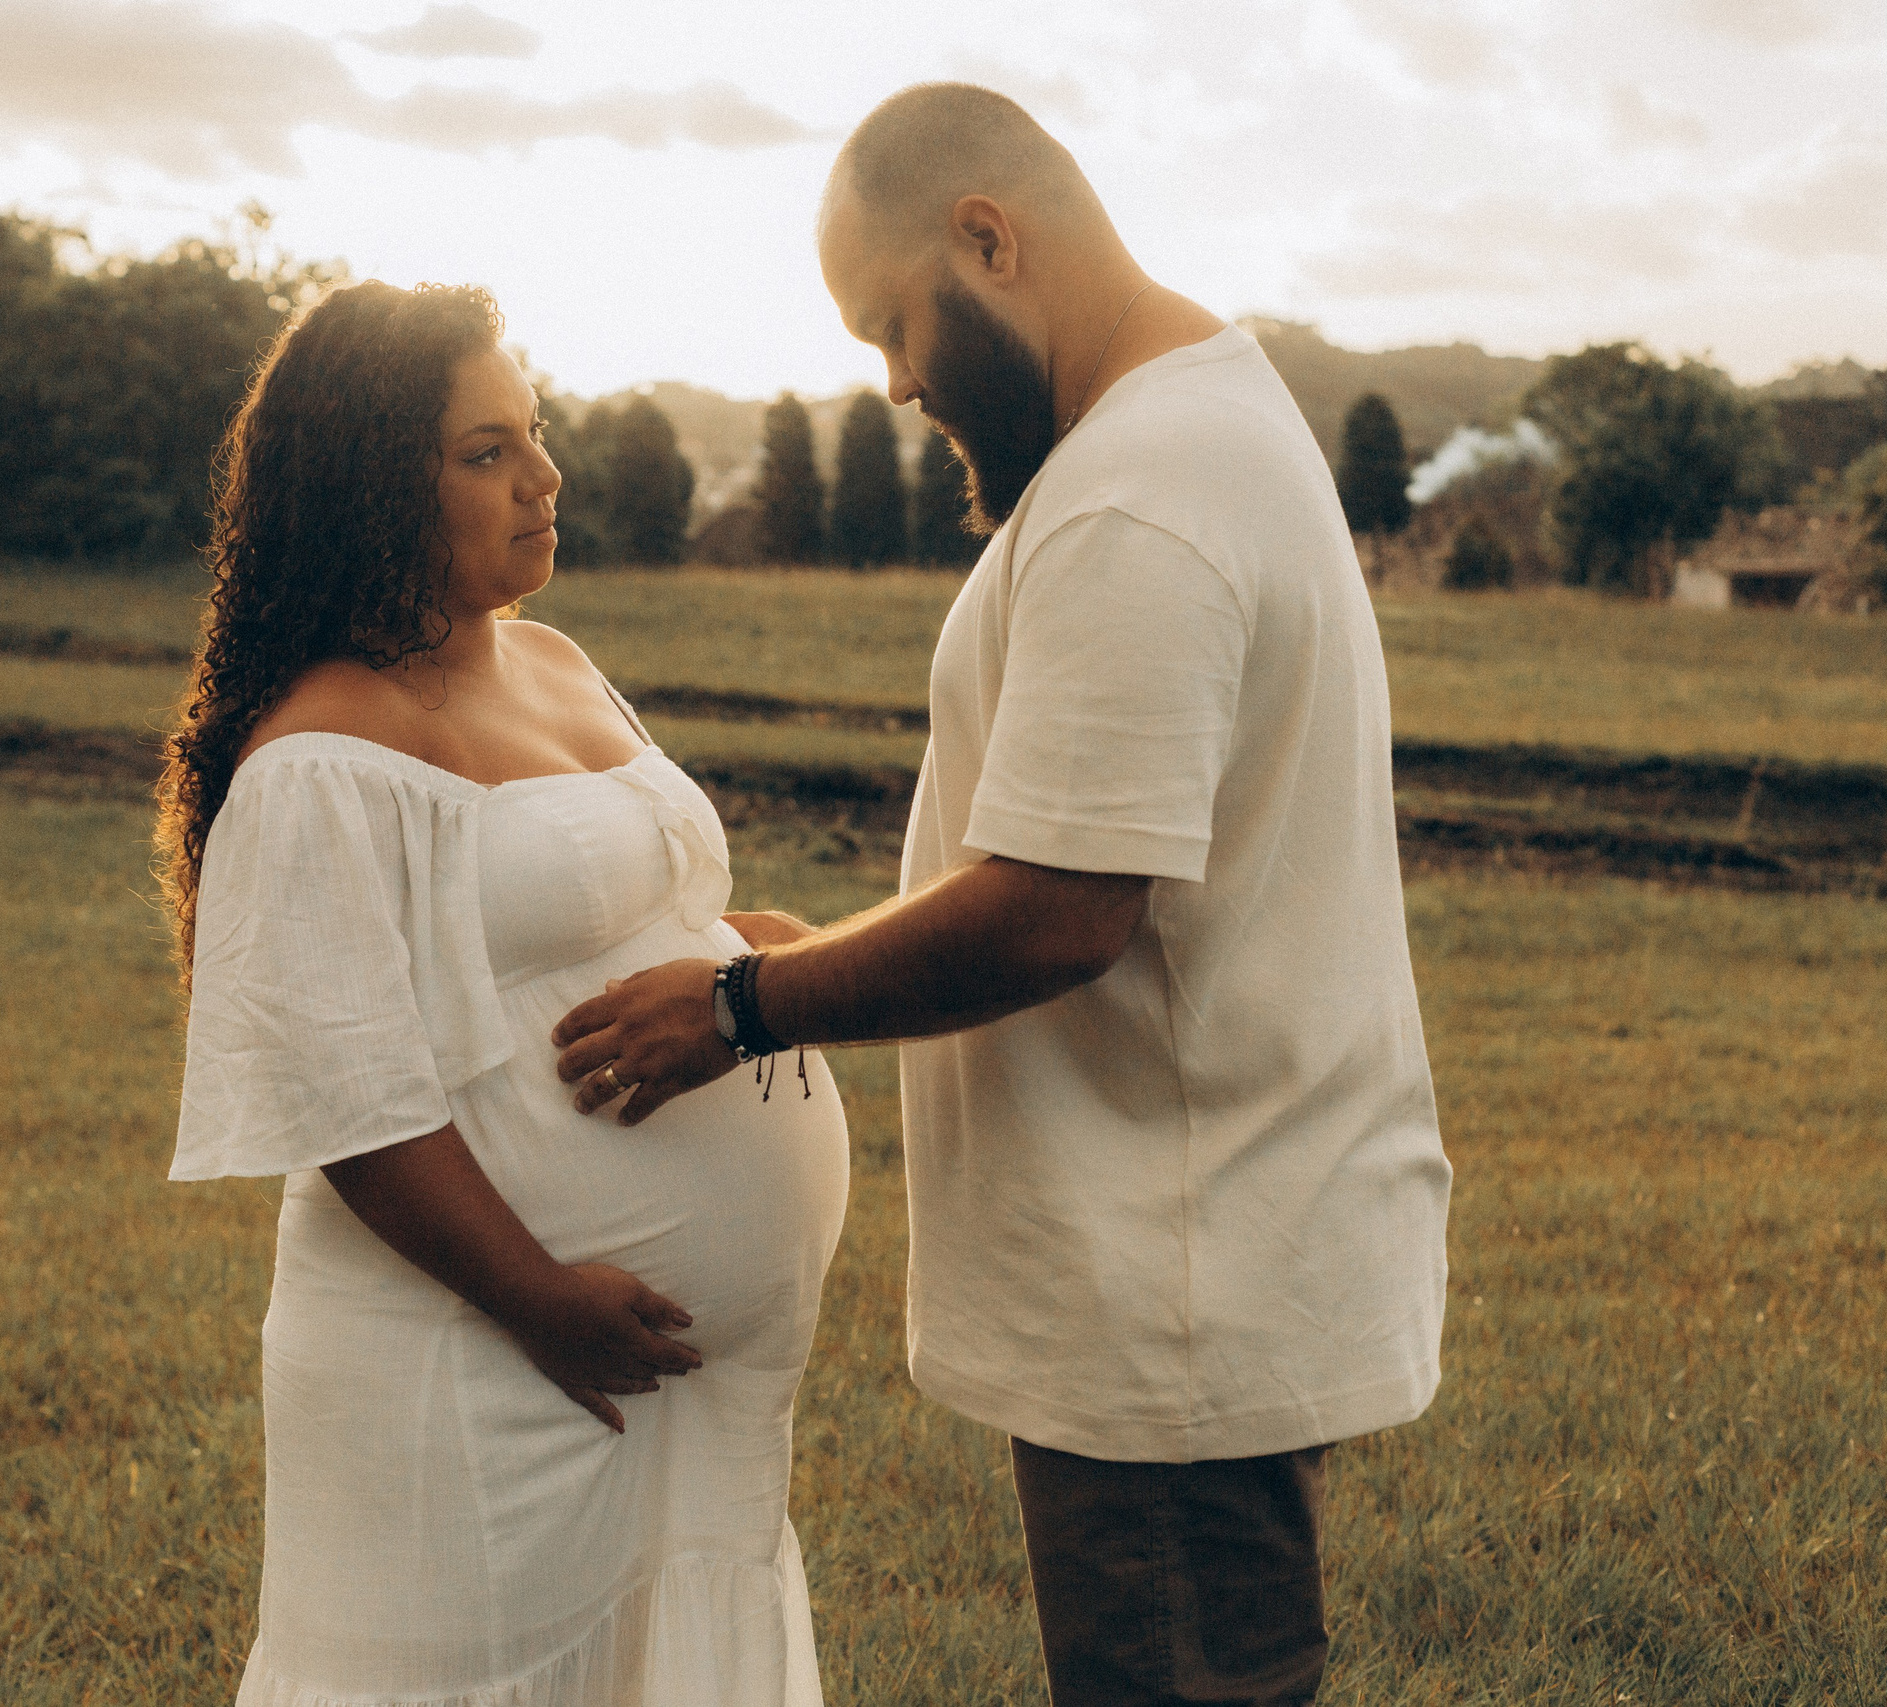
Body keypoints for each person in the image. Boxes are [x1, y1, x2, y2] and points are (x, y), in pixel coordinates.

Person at [552, 85, 1452, 1706]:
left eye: (890, 325)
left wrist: (742, 1008)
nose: (896, 384)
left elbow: (1061, 904)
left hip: (1167, 1278)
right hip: (1208, 1242)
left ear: (989, 239)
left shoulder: (1135, 494)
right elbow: (1094, 862)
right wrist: (835, 945)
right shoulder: (1207, 421)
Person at [156, 280, 848, 1707]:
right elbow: (344, 1096)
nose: (544, 478)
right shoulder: (317, 755)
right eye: (486, 451)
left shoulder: (554, 660)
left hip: (654, 1389)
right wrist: (536, 1297)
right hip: (480, 1364)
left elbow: (630, 903)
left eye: (533, 434)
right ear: (367, 485)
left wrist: (751, 958)